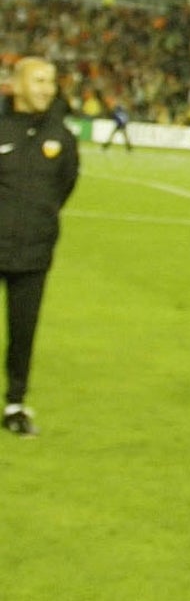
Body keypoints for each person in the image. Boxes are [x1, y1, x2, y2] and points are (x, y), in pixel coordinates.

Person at [1, 55, 82, 436]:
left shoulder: (61, 135)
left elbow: (65, 185)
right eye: (37, 81)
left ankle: (15, 404)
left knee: (23, 332)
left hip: (34, 252)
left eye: (50, 81)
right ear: (16, 85)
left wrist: (38, 220)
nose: (46, 88)